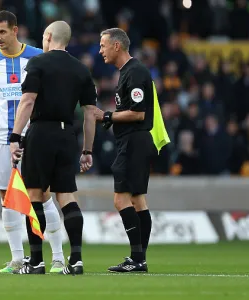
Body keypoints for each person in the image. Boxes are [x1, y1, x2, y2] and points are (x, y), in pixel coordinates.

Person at [0, 10, 65, 273]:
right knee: (7, 197)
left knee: (42, 195)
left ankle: (57, 257)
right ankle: (17, 259)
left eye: (2, 31)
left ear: (15, 30)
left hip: (32, 136)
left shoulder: (37, 56)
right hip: (0, 139)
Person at [10, 20, 97, 275]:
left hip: (41, 133)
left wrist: (16, 136)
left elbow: (27, 101)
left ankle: (36, 262)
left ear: (48, 36)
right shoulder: (81, 69)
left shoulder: (37, 63)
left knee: (35, 195)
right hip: (67, 135)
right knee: (66, 196)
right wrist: (88, 151)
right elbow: (90, 113)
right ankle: (77, 260)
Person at [95, 28, 156, 272]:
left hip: (133, 142)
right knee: (138, 200)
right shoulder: (127, 73)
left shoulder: (135, 72)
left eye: (103, 45)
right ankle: (138, 259)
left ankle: (137, 258)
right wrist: (113, 119)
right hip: (133, 141)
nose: (100, 51)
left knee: (121, 199)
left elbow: (138, 113)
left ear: (117, 46)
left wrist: (107, 115)